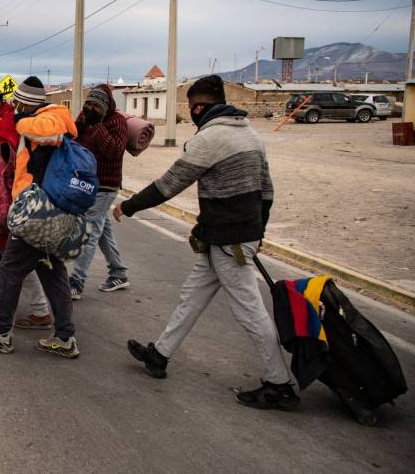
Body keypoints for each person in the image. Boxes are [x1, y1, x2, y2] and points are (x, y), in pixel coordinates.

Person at [115, 75, 298, 410]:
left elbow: (169, 184)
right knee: (192, 297)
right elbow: (267, 192)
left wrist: (129, 206)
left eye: (191, 107)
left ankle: (279, 384)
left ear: (199, 107)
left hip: (230, 240)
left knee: (250, 311)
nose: (191, 113)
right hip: (227, 236)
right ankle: (160, 354)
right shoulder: (251, 135)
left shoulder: (210, 138)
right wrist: (257, 232)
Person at [0, 76, 80, 356]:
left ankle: (1, 333)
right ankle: (65, 337)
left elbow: (44, 132)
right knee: (52, 271)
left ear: (26, 104)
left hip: (37, 211)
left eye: (19, 104)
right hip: (51, 209)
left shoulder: (47, 120)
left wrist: (20, 122)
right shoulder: (52, 119)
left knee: (10, 270)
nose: (15, 109)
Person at [67, 85, 129, 299]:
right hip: (85, 183)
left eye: (96, 106)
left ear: (105, 107)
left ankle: (76, 281)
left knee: (90, 231)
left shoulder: (117, 122)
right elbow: (73, 141)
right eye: (88, 104)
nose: (90, 109)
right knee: (103, 231)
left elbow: (114, 151)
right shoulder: (84, 116)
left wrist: (98, 125)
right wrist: (77, 127)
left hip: (105, 186)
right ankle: (119, 272)